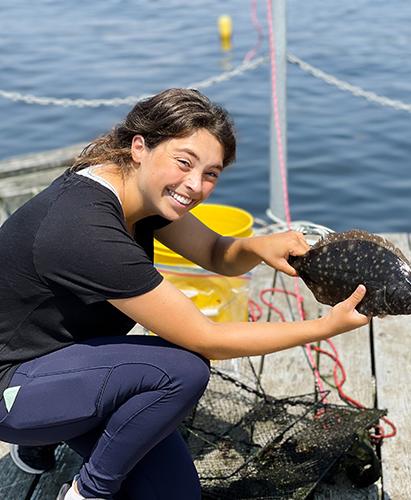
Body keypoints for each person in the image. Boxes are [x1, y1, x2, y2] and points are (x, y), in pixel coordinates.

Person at [0, 88, 369, 500]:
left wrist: (260, 246)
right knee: (182, 369)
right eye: (184, 162)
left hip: (65, 357)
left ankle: (46, 434)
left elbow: (215, 252)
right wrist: (324, 326)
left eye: (211, 173)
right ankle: (86, 489)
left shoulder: (134, 188)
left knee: (175, 494)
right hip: (12, 385)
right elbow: (204, 338)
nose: (194, 185)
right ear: (139, 146)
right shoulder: (84, 229)